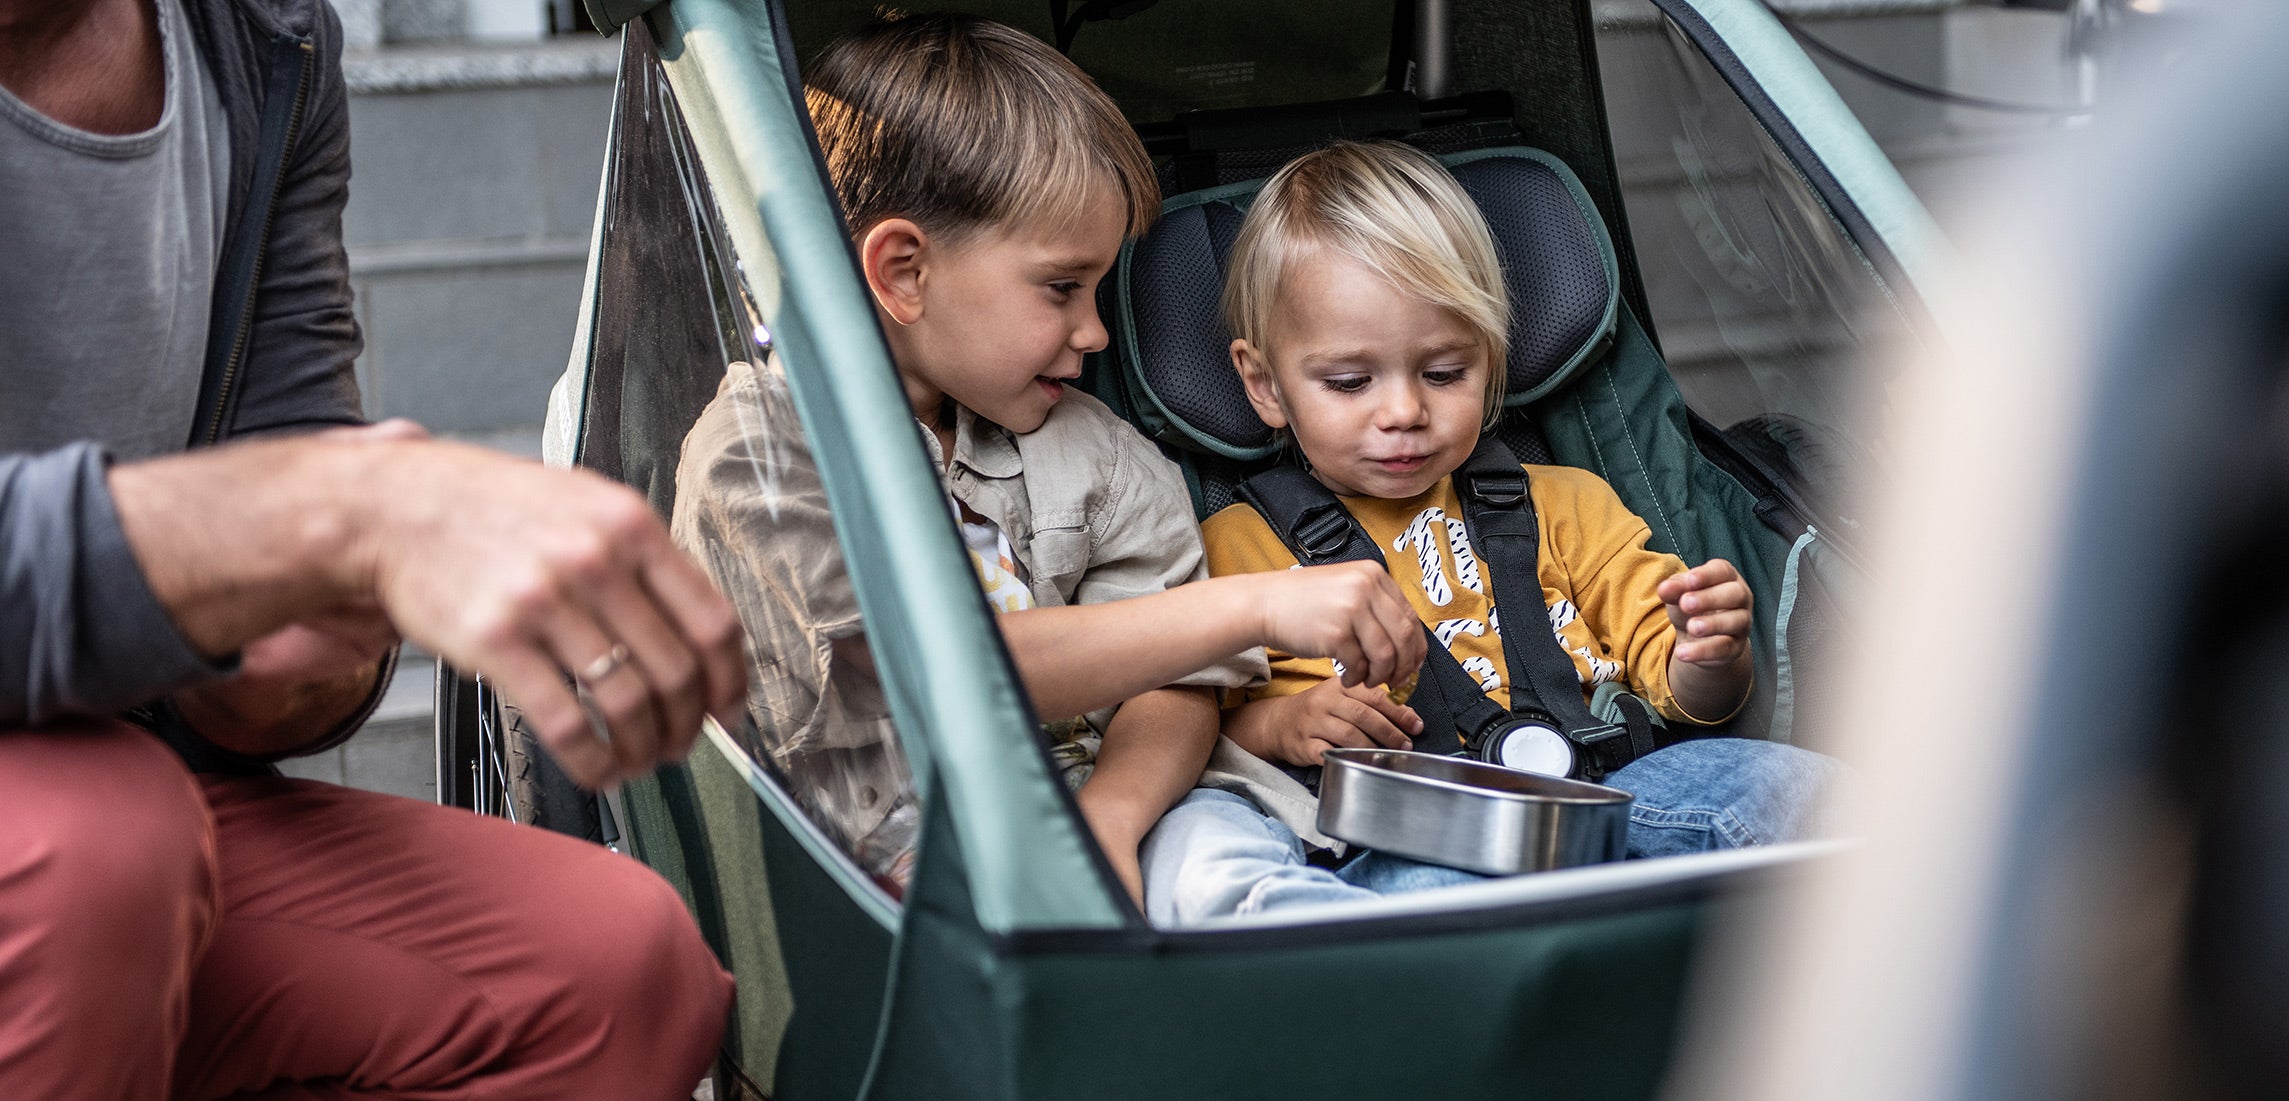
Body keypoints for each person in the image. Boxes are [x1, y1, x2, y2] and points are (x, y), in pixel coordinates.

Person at [0, 0, 738, 1096]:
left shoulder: (262, 39)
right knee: (94, 842)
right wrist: (315, 518)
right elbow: (308, 499)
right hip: (85, 837)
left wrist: (301, 647)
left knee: (612, 967)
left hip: (133, 785)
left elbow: (297, 469)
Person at [672, 15, 1424, 903]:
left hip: (1134, 812)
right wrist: (1254, 602)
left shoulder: (1094, 450)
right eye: (1063, 288)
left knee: (1220, 859)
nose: (1096, 332)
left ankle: (1327, 967)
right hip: (888, 856)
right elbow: (917, 667)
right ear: (905, 272)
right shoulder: (757, 458)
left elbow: (1175, 680)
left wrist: (1108, 817)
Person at [1139, 141, 1842, 926]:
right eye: (1348, 382)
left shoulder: (1570, 502)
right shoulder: (1235, 550)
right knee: (1418, 913)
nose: (1403, 410)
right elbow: (1200, 729)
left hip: (1616, 796)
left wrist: (1710, 652)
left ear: (1491, 361)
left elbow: (1687, 693)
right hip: (1404, 836)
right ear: (1264, 383)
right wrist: (1285, 724)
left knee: (1808, 792)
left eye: (1444, 373)